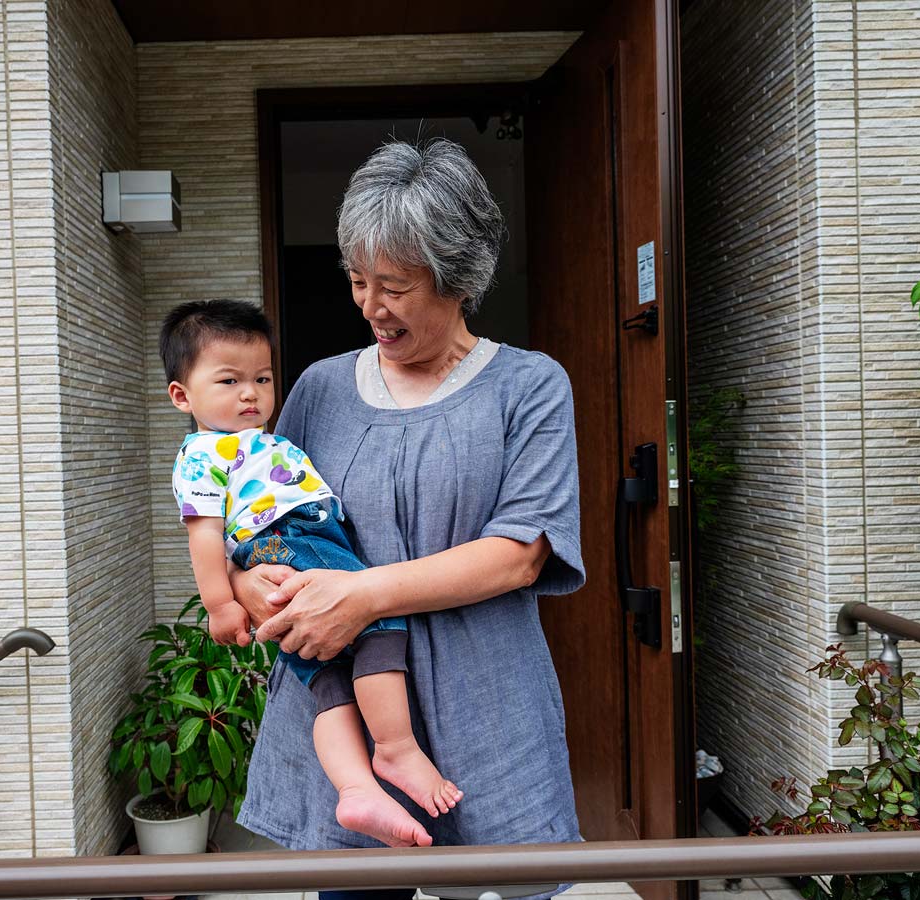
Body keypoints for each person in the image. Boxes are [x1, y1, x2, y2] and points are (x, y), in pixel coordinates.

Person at [230, 138, 586, 900]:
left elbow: (519, 555)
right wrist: (248, 579)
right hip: (346, 727)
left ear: (457, 278)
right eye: (358, 280)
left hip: (485, 712)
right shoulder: (321, 389)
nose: (369, 306)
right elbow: (266, 515)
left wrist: (361, 596)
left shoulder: (528, 388)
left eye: (393, 285)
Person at [161, 299, 462, 849]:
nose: (250, 393)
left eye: (262, 377)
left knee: (327, 679)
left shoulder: (257, 439)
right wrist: (222, 604)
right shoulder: (204, 453)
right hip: (289, 538)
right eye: (228, 380)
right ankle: (394, 749)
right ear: (183, 396)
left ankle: (356, 790)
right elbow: (202, 535)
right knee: (379, 624)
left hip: (284, 546)